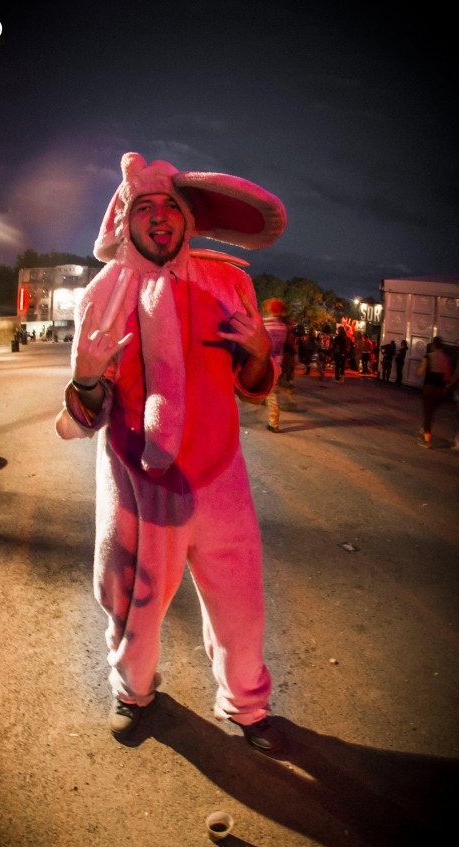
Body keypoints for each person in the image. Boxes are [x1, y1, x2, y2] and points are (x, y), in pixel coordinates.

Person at [55, 152, 287, 752]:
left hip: (220, 475)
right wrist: (85, 378)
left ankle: (247, 704)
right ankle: (132, 693)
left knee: (241, 603)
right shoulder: (101, 295)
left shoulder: (228, 280)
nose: (158, 219)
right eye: (143, 208)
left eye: (169, 208)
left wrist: (261, 352)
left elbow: (253, 381)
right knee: (130, 599)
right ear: (123, 221)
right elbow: (88, 411)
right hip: (137, 480)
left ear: (187, 217)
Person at [417, 336, 452, 448]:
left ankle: (426, 441)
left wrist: (423, 367)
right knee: (430, 413)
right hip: (440, 389)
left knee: (427, 414)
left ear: (433, 345)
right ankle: (422, 430)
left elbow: (421, 372)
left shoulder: (429, 357)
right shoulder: (446, 358)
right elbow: (447, 376)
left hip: (429, 388)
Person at [261, 297, 290, 432]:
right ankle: (273, 421)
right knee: (272, 390)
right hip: (277, 363)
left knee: (270, 392)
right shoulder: (283, 327)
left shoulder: (265, 323)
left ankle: (274, 424)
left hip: (264, 361)